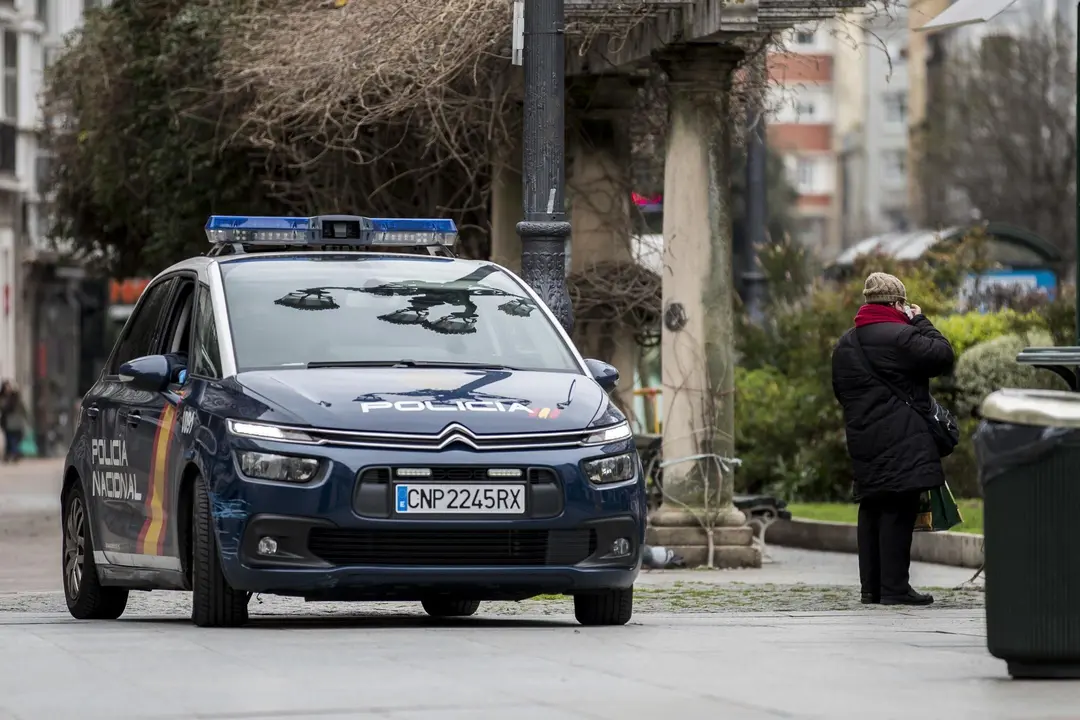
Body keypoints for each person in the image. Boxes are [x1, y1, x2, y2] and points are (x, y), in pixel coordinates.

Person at [831, 272, 955, 606]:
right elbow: (943, 356)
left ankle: (871, 588)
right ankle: (895, 588)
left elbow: (840, 391)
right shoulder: (902, 336)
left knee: (872, 506)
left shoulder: (846, 343)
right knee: (899, 508)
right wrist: (921, 321)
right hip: (904, 438)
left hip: (863, 437)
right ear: (897, 303)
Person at [0, 380, 28, 463]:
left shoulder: (15, 397)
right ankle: (11, 454)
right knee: (10, 439)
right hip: (7, 422)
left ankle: (14, 454)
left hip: (16, 421)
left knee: (15, 439)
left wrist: (25, 418)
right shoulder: (3, 397)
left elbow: (22, 408)